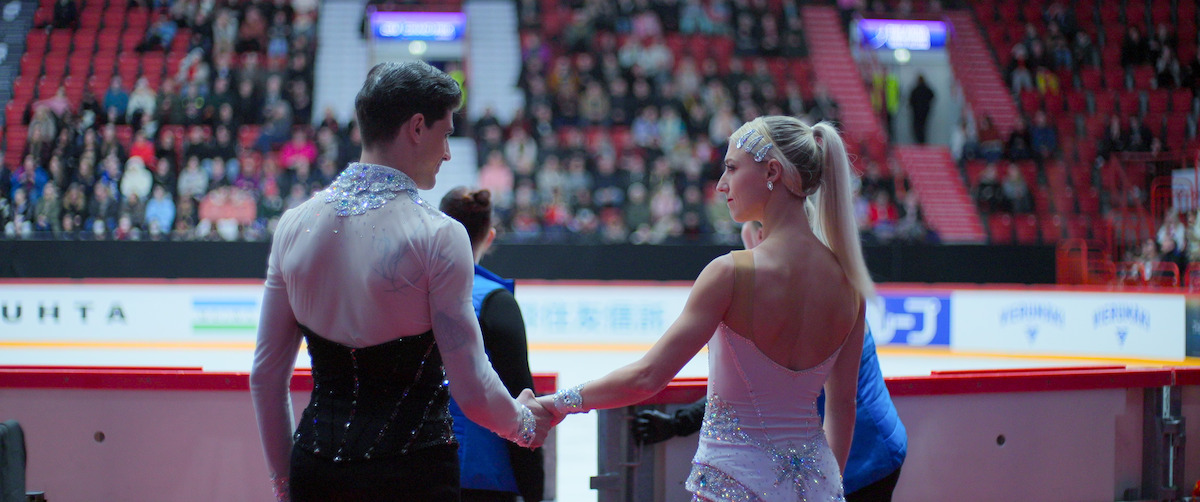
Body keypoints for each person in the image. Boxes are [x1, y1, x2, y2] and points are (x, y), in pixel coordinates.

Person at [250, 61, 551, 502]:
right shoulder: (439, 235)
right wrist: (524, 425)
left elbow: (265, 377)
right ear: (416, 127)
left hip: (316, 469)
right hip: (413, 476)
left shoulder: (295, 225)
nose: (448, 152)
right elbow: (471, 388)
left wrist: (284, 482)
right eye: (446, 134)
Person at [538, 116, 873, 501]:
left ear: (773, 172)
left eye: (731, 168)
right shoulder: (849, 286)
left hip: (733, 486)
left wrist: (556, 404)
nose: (720, 184)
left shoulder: (730, 274)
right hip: (820, 488)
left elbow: (647, 377)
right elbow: (843, 407)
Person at [633, 222, 906, 502]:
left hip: (863, 459)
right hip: (876, 445)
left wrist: (679, 423)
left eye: (751, 249)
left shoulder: (807, 298)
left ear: (767, 237)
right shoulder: (827, 278)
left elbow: (764, 391)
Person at [439, 187, 545, 502]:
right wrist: (533, 489)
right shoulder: (494, 301)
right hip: (484, 475)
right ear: (490, 235)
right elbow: (520, 397)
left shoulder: (410, 291)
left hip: (416, 471)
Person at [908, 75, 935, 144]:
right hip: (924, 111)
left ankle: (919, 141)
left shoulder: (915, 89)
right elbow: (932, 95)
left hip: (917, 112)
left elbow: (911, 100)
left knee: (917, 127)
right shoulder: (926, 89)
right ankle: (922, 141)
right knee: (923, 127)